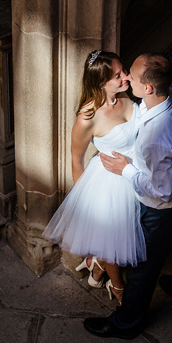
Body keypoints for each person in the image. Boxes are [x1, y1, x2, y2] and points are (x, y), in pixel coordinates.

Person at [84, 53, 172, 339]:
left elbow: (159, 189)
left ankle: (126, 324)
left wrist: (126, 170)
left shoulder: (155, 136)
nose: (127, 80)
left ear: (148, 88)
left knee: (142, 269)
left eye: (132, 78)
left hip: (161, 207)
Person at [42, 50, 144, 304]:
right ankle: (118, 286)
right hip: (109, 183)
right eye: (118, 76)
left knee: (130, 235)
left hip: (137, 173)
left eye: (123, 71)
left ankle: (96, 267)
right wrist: (87, 203)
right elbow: (76, 159)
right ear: (100, 83)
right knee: (112, 240)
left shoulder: (125, 94)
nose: (126, 77)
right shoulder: (87, 117)